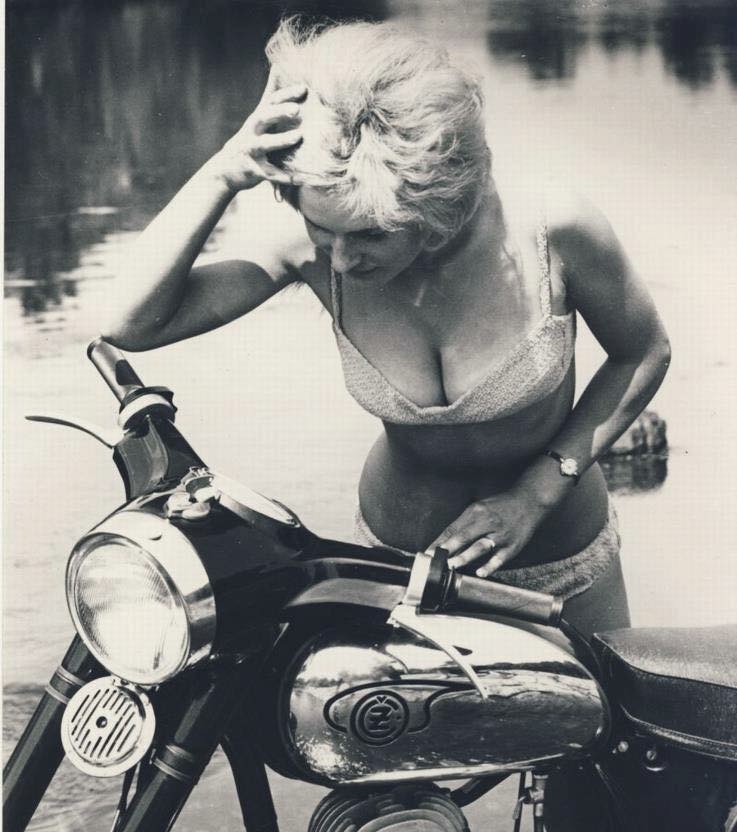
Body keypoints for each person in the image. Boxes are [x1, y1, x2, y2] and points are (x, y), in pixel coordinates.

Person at [100, 18, 671, 637]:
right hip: (396, 568)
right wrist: (223, 172)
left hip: (562, 563)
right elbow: (131, 323)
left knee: (609, 702)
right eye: (323, 228)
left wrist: (535, 494)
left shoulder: (552, 231)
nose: (343, 260)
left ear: (436, 201)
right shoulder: (309, 250)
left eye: (371, 234)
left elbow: (643, 352)